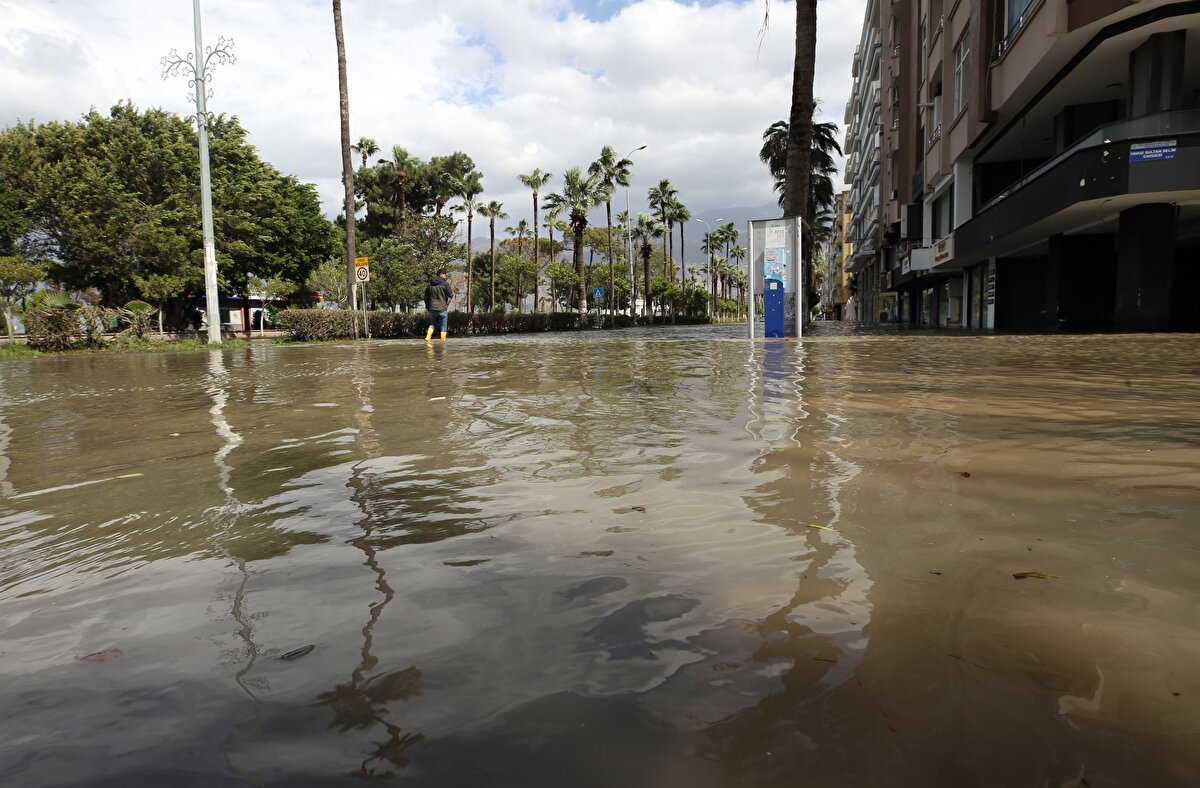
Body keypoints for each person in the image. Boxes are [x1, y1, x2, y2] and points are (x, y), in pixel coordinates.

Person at [424, 268, 454, 342]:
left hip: (432, 308)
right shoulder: (445, 284)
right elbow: (450, 294)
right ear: (441, 274)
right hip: (442, 308)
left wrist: (428, 307)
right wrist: (452, 294)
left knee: (432, 323)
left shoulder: (429, 284)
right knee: (443, 325)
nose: (445, 276)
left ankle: (428, 338)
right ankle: (443, 340)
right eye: (444, 274)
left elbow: (426, 297)